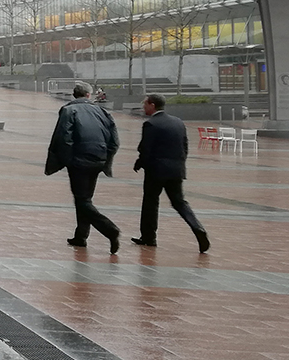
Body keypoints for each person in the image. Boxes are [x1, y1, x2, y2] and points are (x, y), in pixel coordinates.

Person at [45, 81, 122, 252]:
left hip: (79, 161)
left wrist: (67, 160)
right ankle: (81, 236)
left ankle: (110, 230)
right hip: (98, 159)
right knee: (85, 198)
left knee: (82, 200)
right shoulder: (102, 112)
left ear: (74, 95)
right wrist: (106, 159)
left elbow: (64, 137)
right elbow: (114, 140)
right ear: (89, 95)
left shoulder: (68, 110)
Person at [131, 93, 210, 252]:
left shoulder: (151, 124)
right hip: (176, 170)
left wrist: (140, 163)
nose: (143, 107)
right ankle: (198, 228)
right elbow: (185, 146)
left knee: (150, 203)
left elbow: (146, 149)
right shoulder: (178, 122)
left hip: (156, 170)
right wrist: (179, 164)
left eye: (145, 104)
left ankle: (149, 237)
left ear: (152, 105)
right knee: (180, 202)